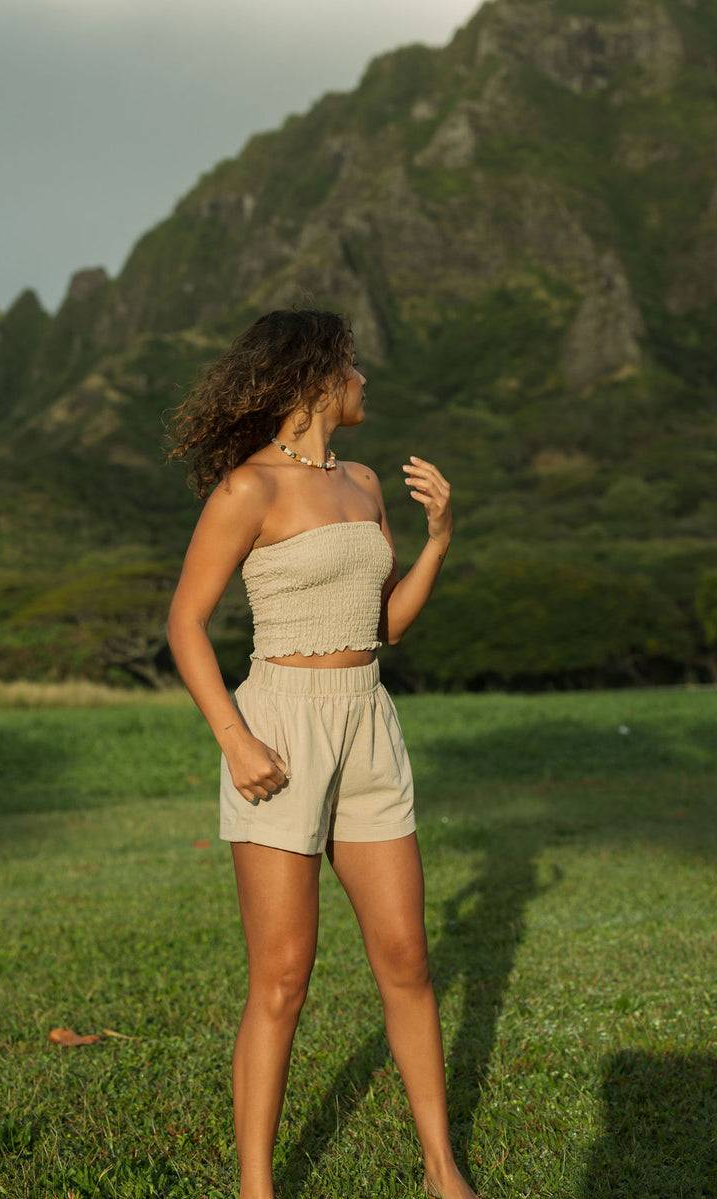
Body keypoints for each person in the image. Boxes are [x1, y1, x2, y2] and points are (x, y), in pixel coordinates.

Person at [165, 309, 478, 1199]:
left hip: (368, 719)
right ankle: (257, 1190)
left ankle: (442, 1170)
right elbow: (185, 623)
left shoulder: (366, 481)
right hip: (280, 726)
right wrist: (235, 737)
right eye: (352, 365)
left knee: (408, 959)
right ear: (313, 378)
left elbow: (379, 627)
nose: (364, 379)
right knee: (283, 978)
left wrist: (439, 542)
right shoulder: (247, 490)